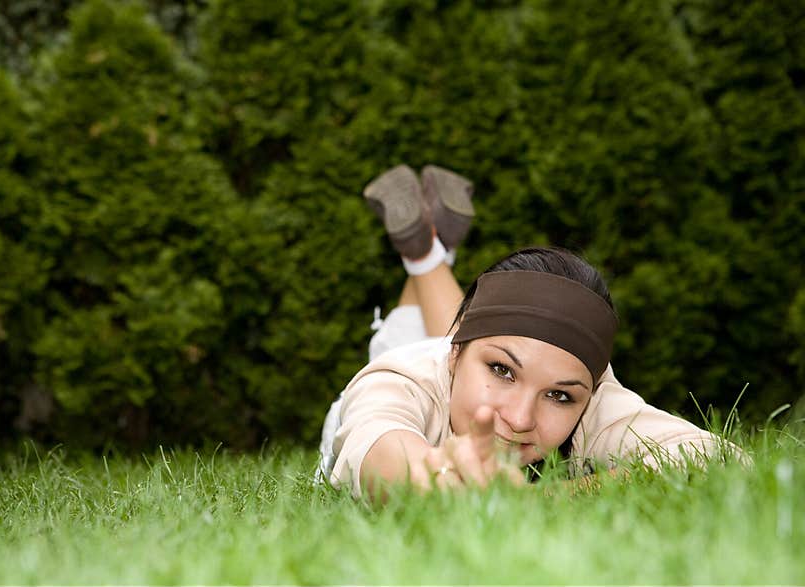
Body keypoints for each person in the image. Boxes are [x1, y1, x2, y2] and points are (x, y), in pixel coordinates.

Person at [317, 164, 744, 501]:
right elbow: (380, 453)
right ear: (454, 352)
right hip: (422, 354)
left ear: (589, 391)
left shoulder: (592, 399)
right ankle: (429, 254)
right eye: (502, 371)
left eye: (559, 396)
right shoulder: (400, 379)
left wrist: (545, 499)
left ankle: (426, 251)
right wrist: (437, 481)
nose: (520, 419)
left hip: (469, 339)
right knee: (408, 334)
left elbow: (721, 461)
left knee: (481, 331)